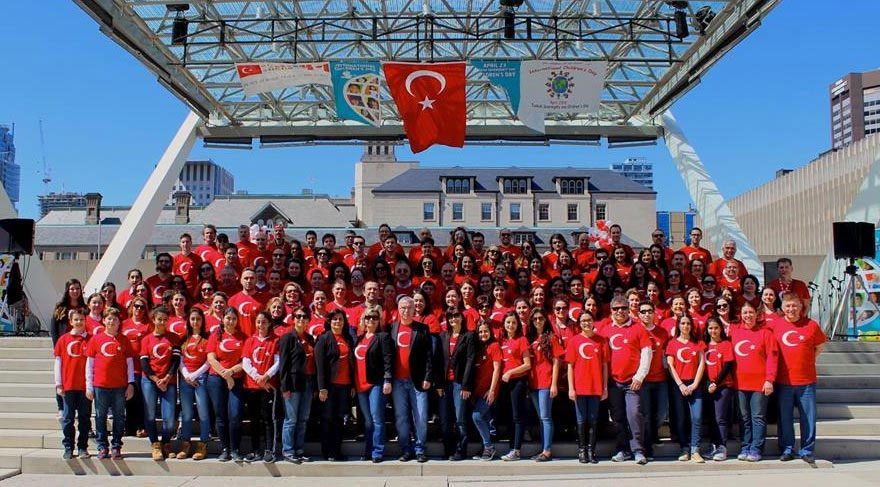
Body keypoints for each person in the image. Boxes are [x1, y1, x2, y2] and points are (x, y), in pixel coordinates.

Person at [598, 296, 653, 464]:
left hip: (633, 382)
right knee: (618, 417)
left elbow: (647, 353)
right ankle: (623, 449)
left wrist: (640, 376)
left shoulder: (638, 328)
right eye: (616, 308)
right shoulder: (605, 330)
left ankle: (638, 450)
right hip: (613, 382)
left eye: (623, 308)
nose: (619, 311)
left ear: (629, 309)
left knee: (634, 414)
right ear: (611, 311)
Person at [773, 293, 826, 464]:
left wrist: (808, 360)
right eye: (788, 306)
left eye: (794, 305)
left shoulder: (811, 325)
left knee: (808, 418)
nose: (791, 309)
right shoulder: (776, 325)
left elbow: (820, 346)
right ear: (782, 308)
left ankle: (807, 450)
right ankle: (787, 449)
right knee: (785, 417)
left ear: (801, 307)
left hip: (806, 381)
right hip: (783, 381)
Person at [390, 296, 437, 463]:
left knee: (421, 416)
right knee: (401, 417)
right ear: (398, 310)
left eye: (409, 307)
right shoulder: (391, 328)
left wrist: (428, 376)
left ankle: (420, 449)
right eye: (403, 307)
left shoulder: (422, 329)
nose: (406, 310)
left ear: (414, 309)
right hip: (398, 381)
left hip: (417, 380)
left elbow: (428, 356)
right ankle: (406, 449)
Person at [730, 301, 778, 462]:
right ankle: (745, 446)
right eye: (745, 313)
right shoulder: (735, 332)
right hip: (740, 383)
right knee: (744, 417)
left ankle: (756, 448)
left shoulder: (766, 333)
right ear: (740, 315)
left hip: (759, 383)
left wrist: (769, 380)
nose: (748, 315)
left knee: (757, 417)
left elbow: (772, 358)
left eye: (751, 312)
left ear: (757, 314)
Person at [85, 309, 135, 460]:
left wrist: (131, 383)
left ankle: (116, 445)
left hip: (119, 385)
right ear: (104, 321)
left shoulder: (124, 340)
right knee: (100, 416)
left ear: (119, 322)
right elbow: (89, 364)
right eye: (109, 319)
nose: (111, 322)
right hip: (100, 385)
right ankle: (102, 446)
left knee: (119, 416)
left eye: (114, 319)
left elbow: (130, 363)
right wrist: (89, 385)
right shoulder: (96, 339)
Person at [566, 311, 608, 464]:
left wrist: (605, 387)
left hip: (595, 386)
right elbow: (570, 366)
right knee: (581, 419)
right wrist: (571, 388)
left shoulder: (602, 341)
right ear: (579, 323)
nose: (586, 323)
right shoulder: (574, 341)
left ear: (593, 321)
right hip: (579, 387)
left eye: (589, 320)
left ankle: (591, 450)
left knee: (593, 420)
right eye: (583, 320)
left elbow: (604, 366)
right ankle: (582, 450)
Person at [139, 306, 180, 461]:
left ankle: (166, 443)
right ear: (153, 320)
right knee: (149, 414)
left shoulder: (173, 338)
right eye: (159, 319)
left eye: (165, 319)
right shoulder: (146, 339)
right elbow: (144, 362)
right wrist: (156, 379)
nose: (162, 322)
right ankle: (155, 444)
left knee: (169, 418)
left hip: (169, 381)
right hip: (150, 381)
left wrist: (167, 377)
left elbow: (176, 360)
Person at [353, 306, 394, 462]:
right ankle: (368, 449)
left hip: (376, 383)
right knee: (368, 420)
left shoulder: (383, 337)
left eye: (375, 318)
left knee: (377, 418)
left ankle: (377, 451)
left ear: (379, 321)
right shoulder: (359, 338)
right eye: (368, 317)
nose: (371, 320)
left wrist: (387, 380)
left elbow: (388, 359)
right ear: (363, 320)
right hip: (359, 384)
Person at [206, 308, 247, 462]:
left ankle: (235, 449)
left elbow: (245, 361)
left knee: (235, 415)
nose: (231, 321)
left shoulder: (243, 337)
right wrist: (226, 375)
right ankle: (225, 449)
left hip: (236, 380)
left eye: (234, 318)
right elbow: (211, 358)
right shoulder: (215, 336)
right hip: (216, 379)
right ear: (223, 319)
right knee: (220, 415)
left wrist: (231, 373)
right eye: (228, 318)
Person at [242, 311, 282, 463]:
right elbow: (246, 363)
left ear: (269, 323)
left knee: (268, 419)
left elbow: (277, 362)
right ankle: (255, 450)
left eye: (264, 322)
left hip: (268, 387)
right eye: (258, 322)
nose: (261, 325)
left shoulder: (275, 340)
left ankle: (269, 450)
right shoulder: (250, 340)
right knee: (254, 420)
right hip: (252, 386)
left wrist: (266, 377)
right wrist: (257, 378)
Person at [314, 309, 355, 461]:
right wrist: (322, 387)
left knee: (339, 419)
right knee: (327, 418)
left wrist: (352, 385)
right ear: (329, 322)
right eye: (335, 319)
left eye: (340, 319)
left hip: (345, 386)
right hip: (329, 387)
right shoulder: (324, 339)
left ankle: (337, 451)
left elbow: (351, 364)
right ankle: (327, 451)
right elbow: (320, 365)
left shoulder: (348, 338)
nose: (338, 322)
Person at [666, 314, 707, 463]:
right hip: (679, 386)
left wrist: (695, 384)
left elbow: (702, 364)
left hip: (695, 385)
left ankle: (695, 449)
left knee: (697, 417)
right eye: (683, 323)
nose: (686, 326)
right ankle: (684, 448)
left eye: (688, 323)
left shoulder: (698, 343)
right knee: (681, 418)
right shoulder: (672, 343)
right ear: (678, 325)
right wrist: (681, 385)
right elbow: (670, 365)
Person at [278, 306, 316, 464]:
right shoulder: (287, 338)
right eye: (298, 316)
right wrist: (284, 387)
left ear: (308, 320)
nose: (301, 319)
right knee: (291, 419)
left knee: (303, 419)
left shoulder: (310, 338)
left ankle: (299, 450)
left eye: (304, 316)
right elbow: (283, 364)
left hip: (308, 382)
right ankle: (288, 450)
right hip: (293, 384)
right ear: (293, 319)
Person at [439, 306, 476, 461]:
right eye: (450, 316)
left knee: (460, 419)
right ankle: (448, 450)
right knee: (445, 419)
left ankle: (461, 450)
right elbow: (438, 361)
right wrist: (439, 384)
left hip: (459, 384)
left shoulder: (469, 336)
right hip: (444, 384)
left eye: (456, 316)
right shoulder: (443, 336)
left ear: (462, 317)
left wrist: (466, 386)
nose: (453, 319)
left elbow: (470, 361)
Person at [54, 308, 92, 459]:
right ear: (71, 322)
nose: (79, 322)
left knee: (84, 418)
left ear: (85, 321)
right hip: (68, 385)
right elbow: (58, 362)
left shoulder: (91, 339)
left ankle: (82, 447)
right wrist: (58, 384)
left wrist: (91, 385)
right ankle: (68, 447)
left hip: (84, 386)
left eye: (81, 319)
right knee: (68, 418)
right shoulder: (63, 339)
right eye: (76, 319)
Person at [527, 308, 563, 462]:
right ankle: (543, 448)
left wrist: (554, 384)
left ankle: (547, 450)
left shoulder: (551, 338)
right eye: (535, 319)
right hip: (533, 383)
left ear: (545, 320)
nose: (537, 321)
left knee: (546, 417)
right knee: (541, 418)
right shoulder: (531, 338)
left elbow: (556, 361)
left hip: (546, 382)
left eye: (540, 318)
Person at [497, 311, 532, 461]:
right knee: (509, 416)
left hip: (517, 381)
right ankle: (511, 447)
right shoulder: (502, 341)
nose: (510, 325)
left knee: (517, 416)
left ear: (518, 325)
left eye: (513, 322)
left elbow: (527, 365)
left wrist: (510, 372)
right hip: (504, 383)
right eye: (508, 322)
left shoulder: (521, 340)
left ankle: (516, 450)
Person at [177, 308, 211, 460]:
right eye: (192, 319)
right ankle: (185, 444)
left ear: (202, 321)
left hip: (201, 378)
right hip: (186, 379)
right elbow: (180, 360)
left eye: (198, 319)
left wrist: (195, 375)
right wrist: (186, 375)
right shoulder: (184, 338)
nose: (195, 322)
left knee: (203, 412)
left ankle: (203, 444)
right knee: (187, 413)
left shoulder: (207, 338)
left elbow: (209, 360)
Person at [638, 301, 670, 460]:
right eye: (643, 311)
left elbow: (666, 354)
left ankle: (653, 433)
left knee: (662, 411)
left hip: (660, 378)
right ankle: (647, 446)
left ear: (654, 313)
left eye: (649, 311)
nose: (646, 314)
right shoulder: (636, 330)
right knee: (646, 413)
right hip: (643, 380)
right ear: (639, 314)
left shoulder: (662, 332)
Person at [704, 316, 735, 461]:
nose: (713, 331)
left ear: (721, 329)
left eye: (716, 328)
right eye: (710, 328)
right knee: (711, 418)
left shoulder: (726, 344)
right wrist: (708, 383)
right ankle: (714, 447)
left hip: (723, 385)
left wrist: (715, 383)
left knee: (720, 417)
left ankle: (722, 447)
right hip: (708, 386)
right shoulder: (704, 345)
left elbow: (727, 366)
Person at [471, 321, 502, 461]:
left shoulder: (494, 346)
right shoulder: (477, 347)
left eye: (486, 331)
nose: (483, 334)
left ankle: (489, 447)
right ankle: (485, 447)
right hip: (477, 391)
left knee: (476, 416)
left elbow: (497, 369)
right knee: (484, 418)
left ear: (490, 332)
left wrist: (492, 390)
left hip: (488, 391)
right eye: (480, 332)